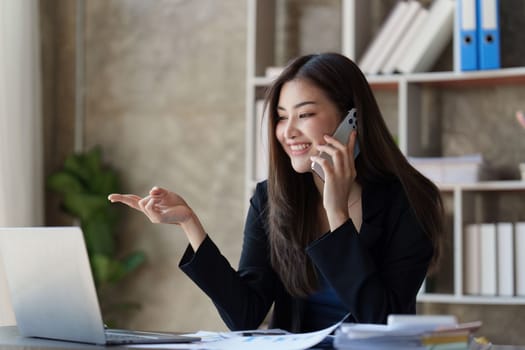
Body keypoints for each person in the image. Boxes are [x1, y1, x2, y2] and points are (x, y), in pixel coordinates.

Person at [108, 52, 444, 333]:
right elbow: (245, 316)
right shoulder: (271, 198)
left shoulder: (408, 200)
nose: (289, 132)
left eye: (306, 114)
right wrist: (190, 224)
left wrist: (337, 213)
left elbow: (383, 321)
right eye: (282, 118)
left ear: (351, 120)